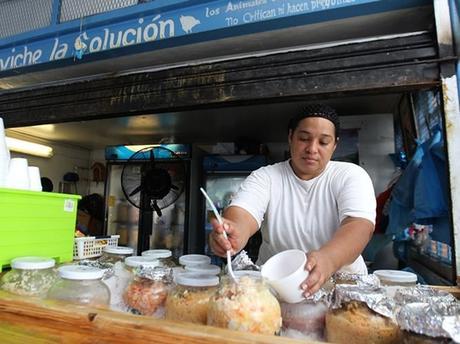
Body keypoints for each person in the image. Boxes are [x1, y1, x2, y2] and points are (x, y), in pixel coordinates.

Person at [209, 104, 376, 296]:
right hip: (276, 290)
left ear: (335, 145)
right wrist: (233, 233)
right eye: (304, 138)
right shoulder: (266, 177)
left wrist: (329, 259)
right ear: (290, 137)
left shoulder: (350, 175)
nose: (312, 149)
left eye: (323, 142)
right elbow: (243, 214)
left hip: (341, 290)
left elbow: (360, 226)